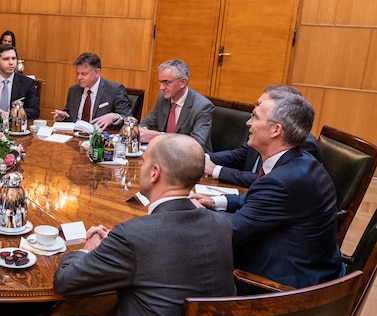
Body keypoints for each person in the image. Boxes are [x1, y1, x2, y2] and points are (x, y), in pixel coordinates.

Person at [53, 134, 235, 316]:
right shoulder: (221, 225)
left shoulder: (134, 236)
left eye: (144, 160)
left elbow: (65, 282)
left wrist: (86, 250)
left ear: (154, 172)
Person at [191, 91, 342, 290]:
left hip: (283, 286)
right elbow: (263, 201)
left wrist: (195, 213)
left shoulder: (283, 181)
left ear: (275, 130)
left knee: (188, 261)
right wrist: (217, 201)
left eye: (254, 116)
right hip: (309, 266)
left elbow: (228, 233)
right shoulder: (301, 163)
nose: (248, 123)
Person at [206, 85, 322, 187]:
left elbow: (270, 180)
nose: (255, 110)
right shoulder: (259, 133)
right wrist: (199, 159)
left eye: (261, 105)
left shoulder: (304, 144)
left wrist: (215, 170)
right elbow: (236, 157)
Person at [139, 58, 214, 151]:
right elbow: (147, 123)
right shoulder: (162, 97)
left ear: (183, 82)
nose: (161, 87)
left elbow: (196, 144)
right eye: (160, 82)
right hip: (166, 154)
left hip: (192, 159)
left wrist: (160, 136)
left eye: (166, 82)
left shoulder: (202, 106)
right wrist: (141, 131)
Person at [52, 52, 132, 130]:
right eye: (78, 73)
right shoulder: (74, 90)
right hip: (74, 137)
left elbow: (128, 118)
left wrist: (114, 116)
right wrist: (62, 117)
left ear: (97, 73)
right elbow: (69, 116)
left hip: (100, 138)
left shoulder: (114, 90)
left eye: (84, 74)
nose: (79, 77)